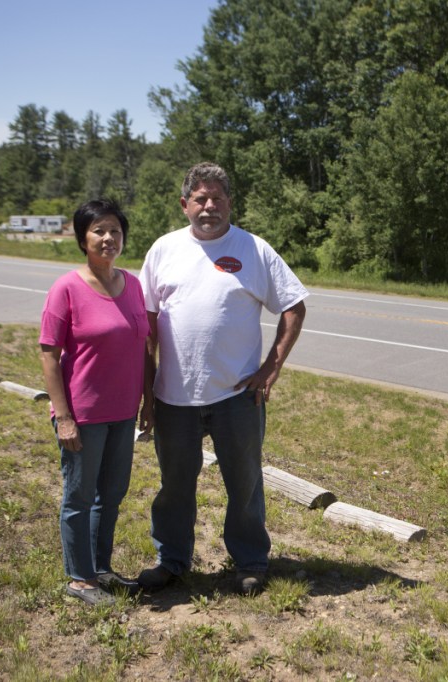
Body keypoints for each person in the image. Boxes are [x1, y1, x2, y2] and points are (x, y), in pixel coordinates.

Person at [136, 162, 308, 595]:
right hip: (174, 397)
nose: (209, 206)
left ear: (230, 203)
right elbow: (146, 326)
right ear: (184, 204)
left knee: (245, 483)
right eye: (200, 198)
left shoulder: (254, 249)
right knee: (174, 486)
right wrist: (146, 392)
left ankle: (250, 562)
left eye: (217, 198)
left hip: (238, 397)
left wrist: (271, 368)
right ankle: (172, 561)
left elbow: (293, 306)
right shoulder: (163, 250)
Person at [40, 199, 153, 606]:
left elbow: (143, 347)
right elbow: (49, 355)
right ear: (82, 239)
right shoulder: (66, 288)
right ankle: (79, 579)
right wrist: (64, 417)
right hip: (83, 415)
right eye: (98, 231)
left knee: (113, 493)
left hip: (123, 413)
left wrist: (148, 401)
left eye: (115, 231)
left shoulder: (133, 284)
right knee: (79, 496)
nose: (108, 239)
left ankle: (101, 569)